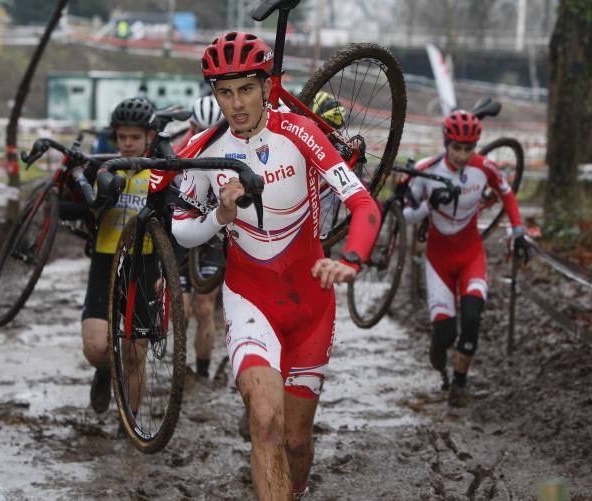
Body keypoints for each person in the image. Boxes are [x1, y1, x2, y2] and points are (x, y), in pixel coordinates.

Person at [171, 31, 381, 500]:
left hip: (311, 303)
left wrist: (351, 258)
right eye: (224, 92)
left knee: (295, 440)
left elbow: (364, 205)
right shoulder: (205, 151)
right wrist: (220, 215)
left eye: (246, 88)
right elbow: (182, 230)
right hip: (250, 298)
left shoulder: (301, 133)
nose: (236, 102)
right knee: (265, 422)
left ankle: (298, 488)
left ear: (267, 85)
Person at [400, 109, 531, 407]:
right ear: (446, 142)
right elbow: (407, 216)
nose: (461, 155)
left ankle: (459, 384)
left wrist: (519, 230)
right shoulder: (427, 170)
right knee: (445, 336)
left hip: (471, 255)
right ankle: (440, 356)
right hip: (439, 261)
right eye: (456, 147)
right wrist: (428, 206)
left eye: (468, 148)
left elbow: (507, 194)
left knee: (472, 319)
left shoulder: (484, 167)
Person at [81, 97, 157, 413]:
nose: (127, 144)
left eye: (134, 138)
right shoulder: (102, 168)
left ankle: (129, 430)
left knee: (134, 354)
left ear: (149, 137)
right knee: (97, 349)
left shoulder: (160, 172)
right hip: (105, 260)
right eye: (122, 137)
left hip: (145, 263)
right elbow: (76, 204)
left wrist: (169, 276)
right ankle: (103, 370)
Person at [172, 94, 224, 379]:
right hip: (185, 226)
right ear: (192, 125)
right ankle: (179, 374)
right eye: (199, 130)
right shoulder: (181, 146)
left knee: (205, 308)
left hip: (213, 232)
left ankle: (203, 374)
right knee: (182, 310)